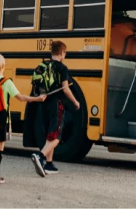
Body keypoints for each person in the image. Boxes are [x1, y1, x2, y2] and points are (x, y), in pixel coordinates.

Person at [0, 53, 46, 184]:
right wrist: (38, 99)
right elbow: (21, 98)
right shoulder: (6, 82)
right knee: (0, 146)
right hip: (2, 118)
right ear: (3, 65)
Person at [31, 40, 80, 177]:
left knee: (49, 133)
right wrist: (75, 102)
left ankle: (49, 164)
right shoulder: (62, 68)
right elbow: (65, 89)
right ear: (62, 53)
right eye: (65, 53)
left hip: (43, 103)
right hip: (56, 103)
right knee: (57, 136)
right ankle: (39, 155)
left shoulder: (43, 65)